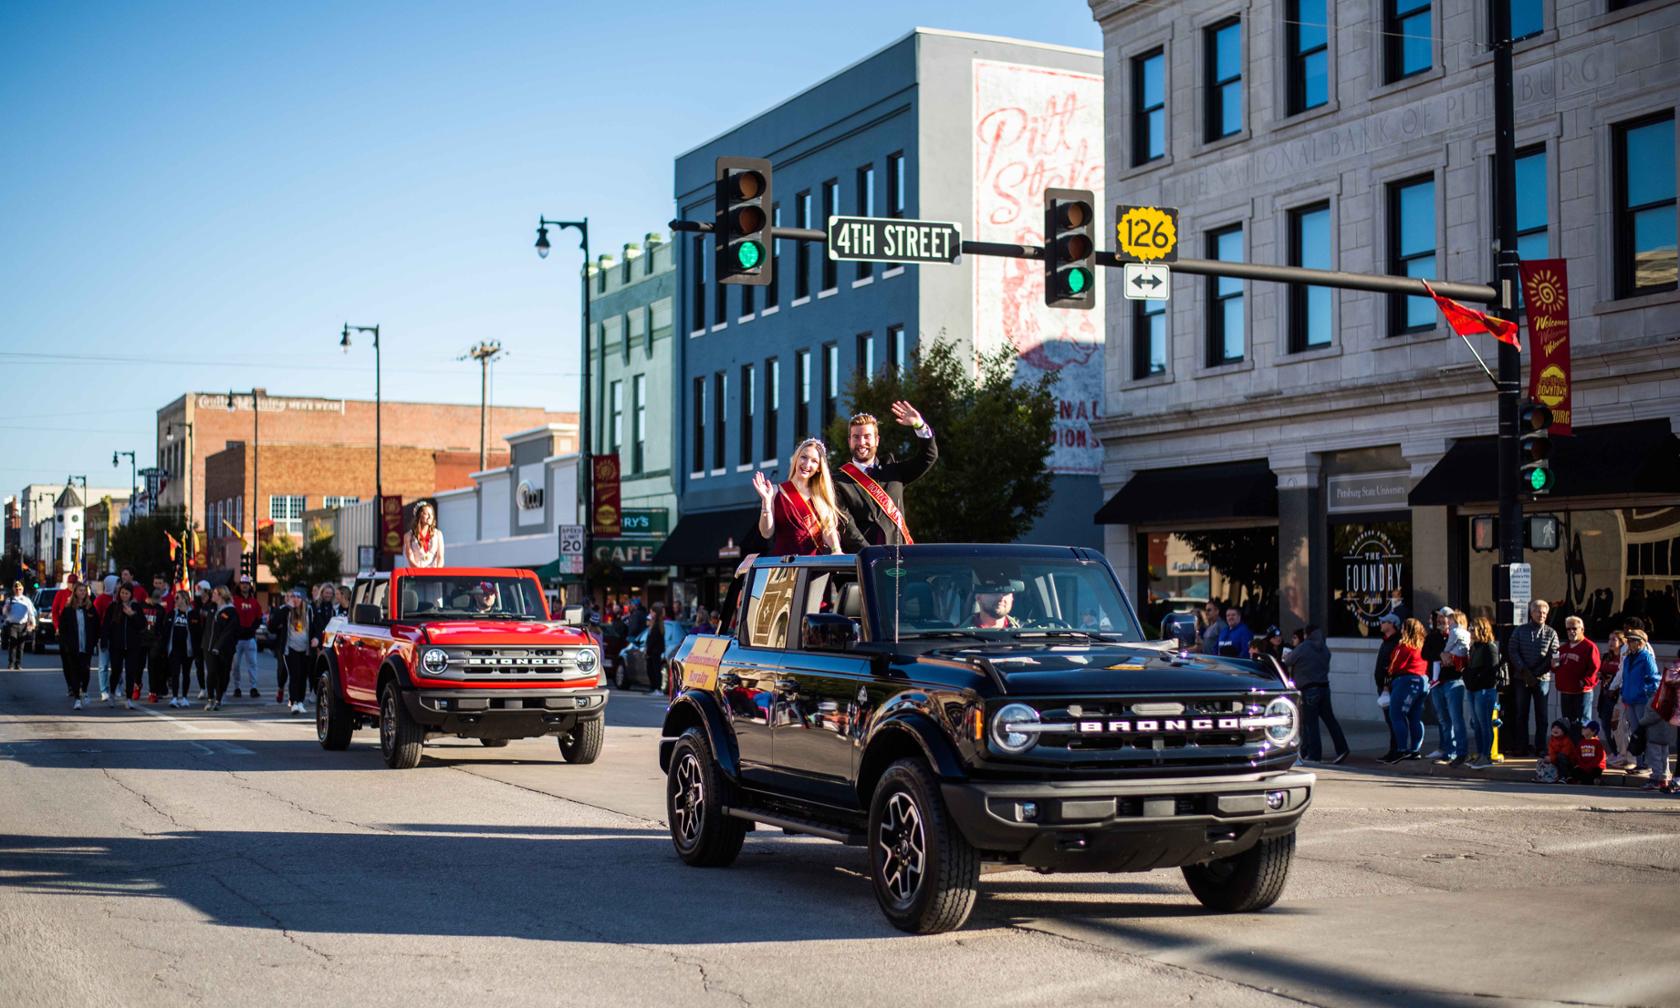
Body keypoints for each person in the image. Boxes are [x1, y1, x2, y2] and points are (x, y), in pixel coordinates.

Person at [834, 403, 935, 551]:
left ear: (877, 440)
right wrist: (870, 554)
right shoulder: (837, 481)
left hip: (898, 558)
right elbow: (846, 525)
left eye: (867, 437)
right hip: (863, 562)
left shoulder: (893, 471)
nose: (862, 443)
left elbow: (928, 457)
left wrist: (919, 426)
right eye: (856, 437)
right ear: (849, 441)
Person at [753, 438, 844, 555]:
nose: (807, 464)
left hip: (814, 567)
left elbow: (828, 529)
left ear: (819, 468)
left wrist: (837, 550)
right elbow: (766, 533)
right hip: (783, 566)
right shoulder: (775, 491)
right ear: (796, 458)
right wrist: (766, 501)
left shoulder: (820, 495)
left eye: (814, 461)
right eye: (804, 457)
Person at [1285, 624, 1348, 764]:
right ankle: (1342, 748)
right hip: (1324, 687)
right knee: (1330, 720)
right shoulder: (1324, 649)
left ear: (1307, 634)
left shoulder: (1304, 646)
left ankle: (1315, 754)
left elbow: (1288, 660)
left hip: (1309, 688)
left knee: (1311, 724)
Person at [1507, 600, 1559, 757]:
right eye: (1538, 612)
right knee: (1521, 713)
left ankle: (1541, 747)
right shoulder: (1520, 630)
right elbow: (1512, 649)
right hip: (1521, 678)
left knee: (1542, 715)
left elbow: (1553, 654)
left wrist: (1536, 674)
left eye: (1544, 613)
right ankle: (1521, 746)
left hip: (1542, 678)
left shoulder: (1551, 633)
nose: (1541, 615)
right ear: (1531, 613)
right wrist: (1524, 671)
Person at [1380, 617, 1429, 763]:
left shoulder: (1403, 647)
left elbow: (1393, 666)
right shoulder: (1422, 646)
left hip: (1405, 680)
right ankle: (1415, 750)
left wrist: (1387, 679)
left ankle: (1401, 749)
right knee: (1415, 717)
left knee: (1396, 715)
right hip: (1422, 681)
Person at [1614, 629, 1660, 776]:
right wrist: (1624, 695)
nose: (1630, 643)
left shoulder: (1646, 657)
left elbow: (1654, 678)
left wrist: (1646, 693)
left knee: (1643, 732)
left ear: (1640, 643)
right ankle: (1639, 763)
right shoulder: (1628, 659)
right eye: (1629, 640)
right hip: (1629, 700)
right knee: (1635, 733)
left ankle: (1647, 763)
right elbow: (1625, 679)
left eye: (1633, 640)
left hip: (1641, 700)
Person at [1429, 610, 1471, 765]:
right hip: (1437, 683)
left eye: (1446, 619)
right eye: (1439, 618)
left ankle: (1461, 752)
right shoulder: (1434, 636)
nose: (1441, 621)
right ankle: (1449, 751)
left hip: (1454, 680)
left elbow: (1465, 655)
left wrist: (1450, 656)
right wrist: (1441, 654)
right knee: (1443, 719)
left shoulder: (1461, 635)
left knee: (1456, 718)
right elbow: (1426, 653)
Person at [1463, 616, 1503, 770]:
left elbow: (1491, 672)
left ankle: (1486, 756)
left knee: (1485, 724)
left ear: (1482, 629)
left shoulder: (1489, 647)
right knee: (1477, 725)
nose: (1470, 631)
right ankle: (1480, 754)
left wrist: (1475, 678)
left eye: (1473, 628)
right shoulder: (1474, 647)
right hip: (1473, 690)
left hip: (1485, 690)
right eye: (1470, 628)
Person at [102, 583, 147, 710]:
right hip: (117, 645)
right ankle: (112, 694)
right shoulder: (113, 607)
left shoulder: (136, 607)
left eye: (126, 593)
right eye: (122, 593)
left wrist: (132, 614)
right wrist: (104, 640)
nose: (124, 595)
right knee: (116, 670)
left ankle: (128, 698)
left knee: (130, 671)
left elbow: (142, 625)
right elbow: (106, 625)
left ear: (131, 594)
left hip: (133, 646)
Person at [56, 581, 98, 708]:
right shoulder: (68, 609)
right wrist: (66, 643)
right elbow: (62, 628)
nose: (82, 593)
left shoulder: (90, 608)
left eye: (84, 591)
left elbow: (96, 626)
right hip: (73, 646)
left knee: (85, 669)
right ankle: (77, 698)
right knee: (74, 671)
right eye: (80, 590)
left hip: (86, 645)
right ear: (75, 592)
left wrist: (94, 641)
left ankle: (84, 690)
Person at [1554, 615, 1600, 727]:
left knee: (1583, 724)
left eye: (1574, 628)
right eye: (1568, 629)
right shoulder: (1562, 648)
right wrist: (1553, 665)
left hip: (1582, 693)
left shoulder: (1590, 647)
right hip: (1565, 692)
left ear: (1582, 629)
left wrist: (1584, 681)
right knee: (1567, 724)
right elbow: (1555, 667)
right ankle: (1570, 745)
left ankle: (1582, 745)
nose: (1571, 631)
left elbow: (1595, 668)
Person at [160, 590, 202, 709]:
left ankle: (184, 697)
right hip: (174, 649)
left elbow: (198, 633)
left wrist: (197, 650)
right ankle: (174, 698)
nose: (175, 600)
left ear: (184, 599)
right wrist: (164, 648)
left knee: (186, 674)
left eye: (177, 598)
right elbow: (166, 632)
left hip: (187, 649)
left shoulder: (193, 614)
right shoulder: (172, 614)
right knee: (175, 673)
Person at [275, 588, 312, 714]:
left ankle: (300, 701)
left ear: (303, 599)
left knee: (302, 676)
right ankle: (294, 702)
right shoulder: (286, 611)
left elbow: (316, 626)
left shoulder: (309, 611)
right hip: (290, 649)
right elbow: (273, 624)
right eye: (293, 597)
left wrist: (316, 638)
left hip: (305, 649)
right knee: (294, 675)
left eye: (297, 597)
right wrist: (287, 607)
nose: (295, 599)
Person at [205, 586, 240, 710]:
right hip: (209, 648)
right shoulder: (212, 608)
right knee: (211, 673)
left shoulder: (231, 611)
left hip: (225, 650)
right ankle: (210, 699)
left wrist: (218, 646)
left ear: (221, 595)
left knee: (223, 675)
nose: (212, 595)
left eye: (214, 593)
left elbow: (229, 632)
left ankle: (219, 699)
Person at [1373, 613, 1403, 756]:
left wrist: (1386, 686)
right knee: (1390, 719)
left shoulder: (1395, 643)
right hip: (1383, 686)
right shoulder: (1386, 641)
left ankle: (1397, 749)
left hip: (1390, 688)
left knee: (1394, 719)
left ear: (1391, 624)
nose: (1381, 624)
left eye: (1384, 622)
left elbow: (1391, 667)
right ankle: (1394, 748)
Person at [230, 574, 263, 698]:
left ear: (250, 586)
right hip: (236, 640)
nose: (245, 585)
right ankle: (237, 687)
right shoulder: (234, 600)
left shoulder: (254, 602)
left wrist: (252, 628)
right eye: (243, 583)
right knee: (236, 665)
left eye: (247, 583)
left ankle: (253, 687)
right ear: (240, 585)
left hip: (250, 639)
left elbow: (259, 618)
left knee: (252, 664)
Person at [1598, 630, 1625, 765]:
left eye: (1614, 639)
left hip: (1617, 696)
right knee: (1605, 724)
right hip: (1605, 694)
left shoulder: (1623, 658)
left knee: (1617, 727)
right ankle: (1614, 751)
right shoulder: (1606, 657)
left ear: (1621, 642)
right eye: (1609, 639)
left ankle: (1621, 752)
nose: (1611, 642)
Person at [3, 581, 37, 670]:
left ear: (22, 589)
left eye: (20, 589)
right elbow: (4, 613)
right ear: (14, 589)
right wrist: (7, 609)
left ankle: (18, 664)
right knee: (13, 643)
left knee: (21, 646)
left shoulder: (26, 600)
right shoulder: (9, 600)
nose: (18, 590)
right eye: (16, 589)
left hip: (23, 625)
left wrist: (33, 623)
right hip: (12, 625)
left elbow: (31, 612)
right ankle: (11, 664)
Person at [404, 500, 445, 568]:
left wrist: (437, 573)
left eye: (431, 514)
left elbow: (440, 558)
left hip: (433, 575)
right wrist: (421, 574)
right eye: (427, 514)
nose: (430, 517)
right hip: (416, 574)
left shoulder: (438, 534)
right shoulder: (408, 536)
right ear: (419, 515)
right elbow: (410, 559)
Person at [192, 580, 213, 698]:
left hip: (209, 638)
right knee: (199, 664)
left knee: (211, 665)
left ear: (207, 591)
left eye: (201, 590)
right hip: (197, 638)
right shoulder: (196, 603)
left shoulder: (213, 604)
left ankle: (212, 688)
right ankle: (202, 688)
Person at [1539, 719, 1578, 784]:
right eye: (1553, 727)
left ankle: (1564, 776)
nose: (1555, 729)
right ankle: (1543, 775)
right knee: (1542, 754)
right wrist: (1549, 757)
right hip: (1557, 759)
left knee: (1561, 756)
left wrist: (1551, 759)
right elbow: (1551, 751)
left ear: (1564, 731)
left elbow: (1565, 753)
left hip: (1569, 763)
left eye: (1558, 728)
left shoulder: (1567, 740)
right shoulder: (1552, 739)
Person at [1570, 721, 1607, 785]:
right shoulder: (1581, 742)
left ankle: (1590, 780)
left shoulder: (1597, 743)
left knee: (1597, 771)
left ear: (1593, 731)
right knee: (1575, 771)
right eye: (1582, 728)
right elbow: (1577, 755)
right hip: (1583, 766)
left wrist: (1591, 765)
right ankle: (1589, 781)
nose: (1582, 729)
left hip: (1594, 766)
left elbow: (1600, 757)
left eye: (1585, 728)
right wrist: (1582, 764)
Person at [645, 603, 666, 693]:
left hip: (654, 651)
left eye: (652, 612)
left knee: (655, 669)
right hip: (655, 651)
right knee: (652, 669)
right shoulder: (655, 624)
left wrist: (648, 650)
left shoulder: (657, 625)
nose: (650, 614)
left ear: (655, 613)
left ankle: (657, 688)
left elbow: (653, 640)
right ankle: (653, 687)